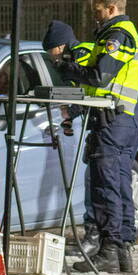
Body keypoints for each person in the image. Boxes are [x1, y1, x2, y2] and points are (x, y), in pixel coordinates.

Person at [56, 0, 138, 274]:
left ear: (110, 8)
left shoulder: (117, 35)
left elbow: (99, 76)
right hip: (122, 117)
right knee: (119, 182)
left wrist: (65, 68)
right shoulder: (117, 34)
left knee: (106, 182)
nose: (94, 16)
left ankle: (111, 249)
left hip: (116, 119)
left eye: (97, 10)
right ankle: (121, 250)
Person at [41, 20, 100, 251]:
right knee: (94, 181)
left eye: (52, 50)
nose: (51, 56)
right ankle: (97, 236)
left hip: (103, 118)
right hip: (92, 120)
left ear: (61, 45)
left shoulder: (82, 53)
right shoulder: (70, 56)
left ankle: (96, 237)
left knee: (96, 182)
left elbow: (85, 87)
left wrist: (72, 110)